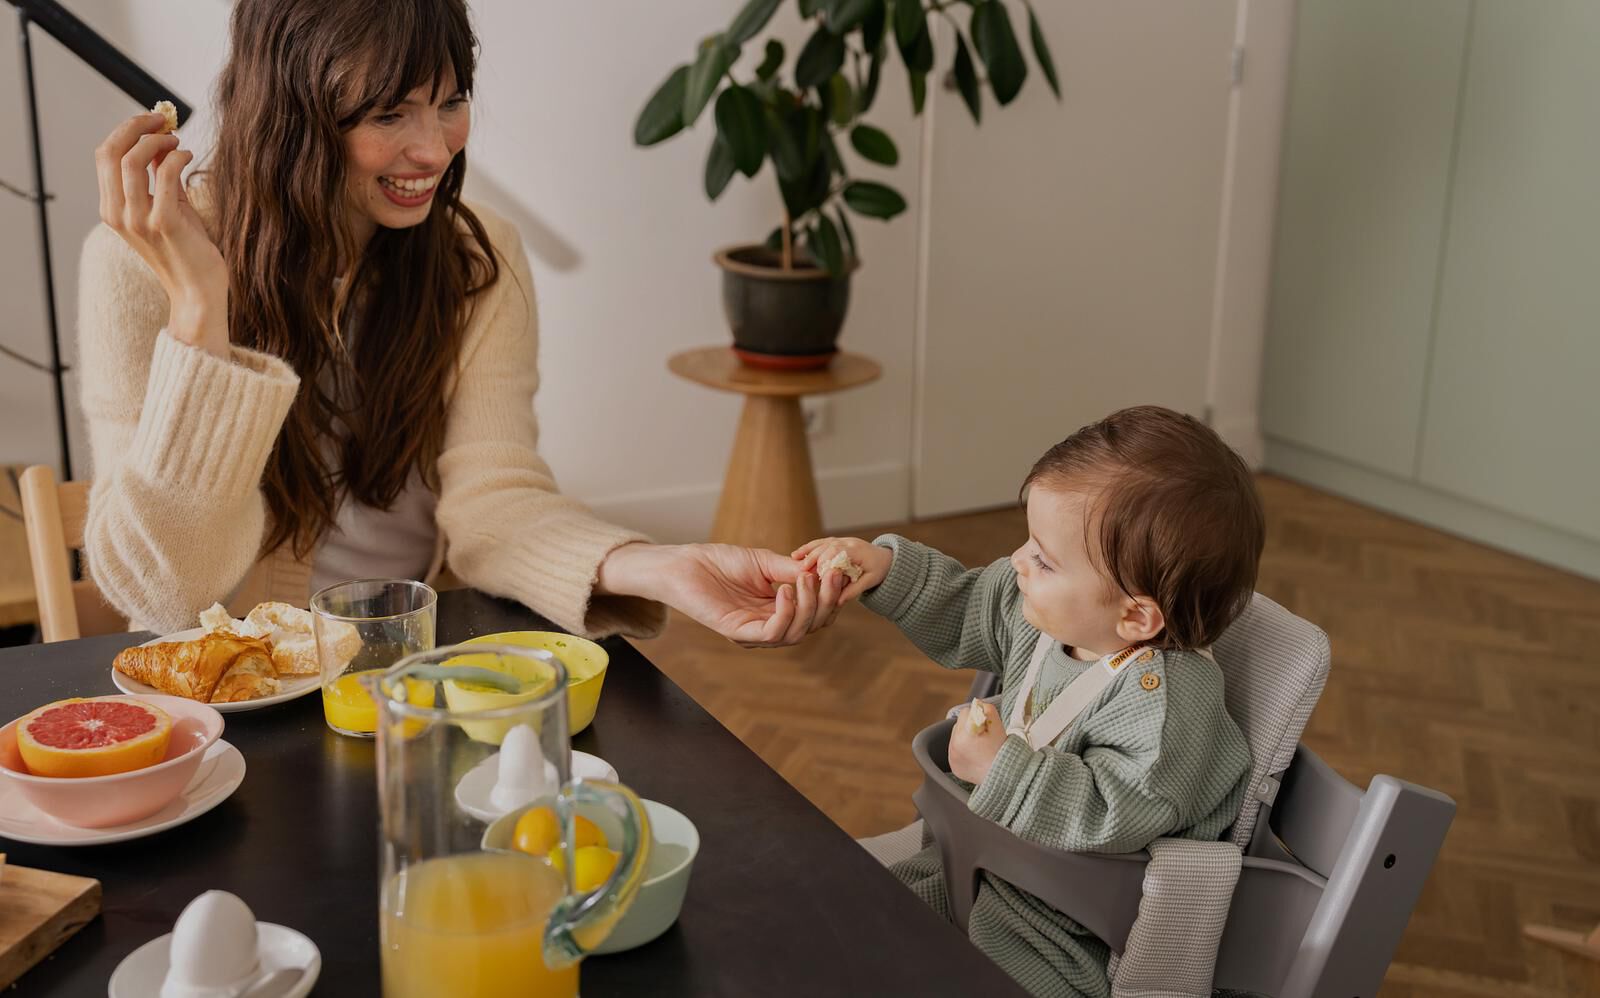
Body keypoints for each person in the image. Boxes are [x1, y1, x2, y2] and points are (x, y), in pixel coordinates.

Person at [77, 0, 844, 647]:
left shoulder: (481, 257)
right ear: (291, 115)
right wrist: (201, 314)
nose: (435, 147)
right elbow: (167, 594)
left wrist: (659, 567)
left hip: (411, 663)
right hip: (238, 689)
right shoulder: (141, 260)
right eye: (390, 113)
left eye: (450, 101)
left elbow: (494, 497)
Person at [795, 406, 1260, 998]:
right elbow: (966, 604)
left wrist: (1000, 769)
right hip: (967, 863)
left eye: (1043, 558)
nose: (1017, 560)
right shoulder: (1052, 616)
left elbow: (1117, 810)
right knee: (842, 925)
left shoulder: (1167, 704)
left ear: (1136, 616)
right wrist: (885, 569)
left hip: (1059, 926)